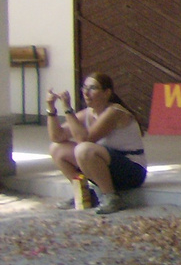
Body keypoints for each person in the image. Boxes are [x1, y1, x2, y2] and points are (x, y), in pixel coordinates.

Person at [46, 72, 146, 215]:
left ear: (107, 93)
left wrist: (68, 109)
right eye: (84, 88)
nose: (86, 92)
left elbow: (84, 139)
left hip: (132, 171)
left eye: (93, 88)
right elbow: (57, 136)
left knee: (84, 149)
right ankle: (83, 193)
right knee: (57, 149)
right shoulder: (87, 113)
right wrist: (51, 109)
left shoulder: (114, 112)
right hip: (107, 166)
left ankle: (111, 197)